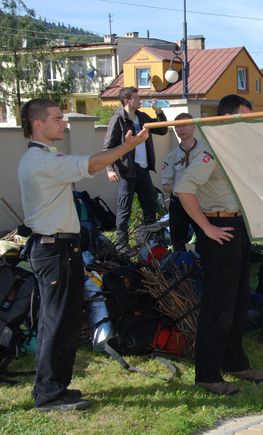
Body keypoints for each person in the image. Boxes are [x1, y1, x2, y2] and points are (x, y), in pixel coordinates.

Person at [17, 98, 149, 411]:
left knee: (63, 321)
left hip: (61, 248)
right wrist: (127, 147)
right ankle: (49, 395)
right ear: (38, 124)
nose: (64, 123)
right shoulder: (40, 162)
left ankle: (56, 388)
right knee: (56, 322)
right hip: (53, 250)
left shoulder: (46, 155)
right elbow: (91, 163)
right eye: (58, 118)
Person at [175, 94, 263, 395]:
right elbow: (183, 189)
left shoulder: (234, 151)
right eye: (244, 118)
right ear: (226, 118)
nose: (247, 124)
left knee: (239, 302)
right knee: (218, 306)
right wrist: (207, 228)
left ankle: (235, 362)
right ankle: (208, 373)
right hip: (219, 231)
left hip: (237, 229)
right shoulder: (209, 152)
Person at [104, 86, 168, 248]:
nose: (139, 100)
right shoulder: (118, 119)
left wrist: (159, 113)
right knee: (124, 208)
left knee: (150, 206)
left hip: (143, 169)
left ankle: (150, 241)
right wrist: (110, 169)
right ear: (127, 101)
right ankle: (122, 245)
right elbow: (108, 147)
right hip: (127, 171)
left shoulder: (142, 117)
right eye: (136, 98)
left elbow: (162, 129)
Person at [161, 113, 202, 251]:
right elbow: (165, 185)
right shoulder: (172, 156)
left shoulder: (205, 151)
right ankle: (182, 266)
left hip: (202, 200)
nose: (181, 129)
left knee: (205, 238)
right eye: (177, 126)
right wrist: (182, 190)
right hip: (179, 202)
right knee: (178, 240)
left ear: (194, 126)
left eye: (185, 125)